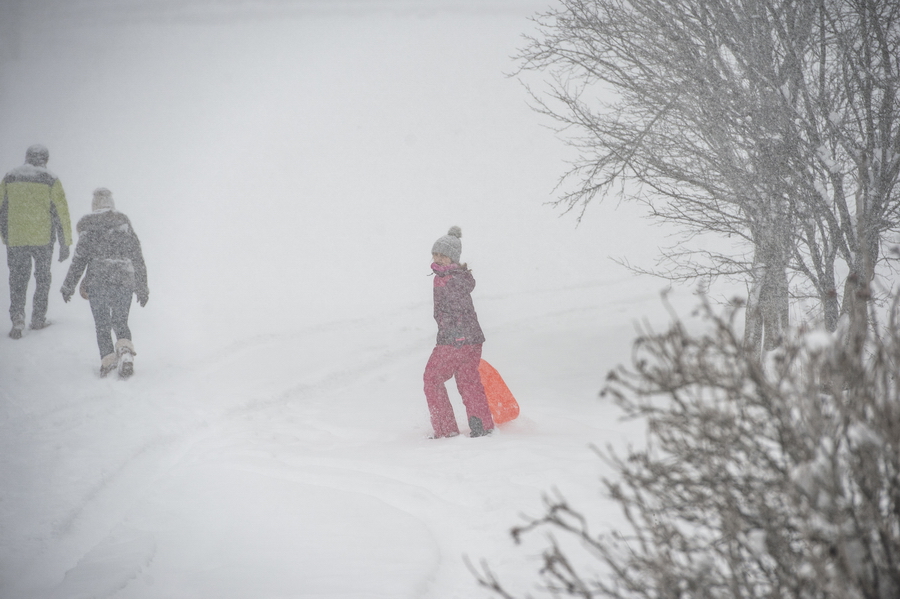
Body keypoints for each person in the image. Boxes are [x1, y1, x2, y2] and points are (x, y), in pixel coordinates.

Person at [61, 188, 149, 378]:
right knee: (120, 320)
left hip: (98, 279)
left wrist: (69, 285)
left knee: (102, 323)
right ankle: (125, 351)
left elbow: (79, 260)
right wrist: (142, 287)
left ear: (94, 205)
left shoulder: (89, 227)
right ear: (112, 204)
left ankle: (108, 361)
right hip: (124, 278)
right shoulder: (123, 224)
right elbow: (137, 257)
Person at [423, 226, 495, 438]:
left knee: (432, 378)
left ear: (453, 258)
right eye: (435, 254)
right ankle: (481, 424)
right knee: (468, 380)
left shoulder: (450, 280)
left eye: (443, 255)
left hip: (456, 340)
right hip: (472, 339)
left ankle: (446, 430)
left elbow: (459, 311)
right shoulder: (453, 277)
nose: (438, 258)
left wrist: (458, 335)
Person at [0, 144, 73, 338]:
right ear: (45, 159)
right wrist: (65, 242)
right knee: (42, 279)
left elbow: (1, 207)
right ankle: (38, 318)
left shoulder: (10, 177)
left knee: (17, 279)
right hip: (42, 239)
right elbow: (61, 212)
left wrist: (4, 234)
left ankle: (17, 317)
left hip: (16, 238)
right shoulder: (50, 179)